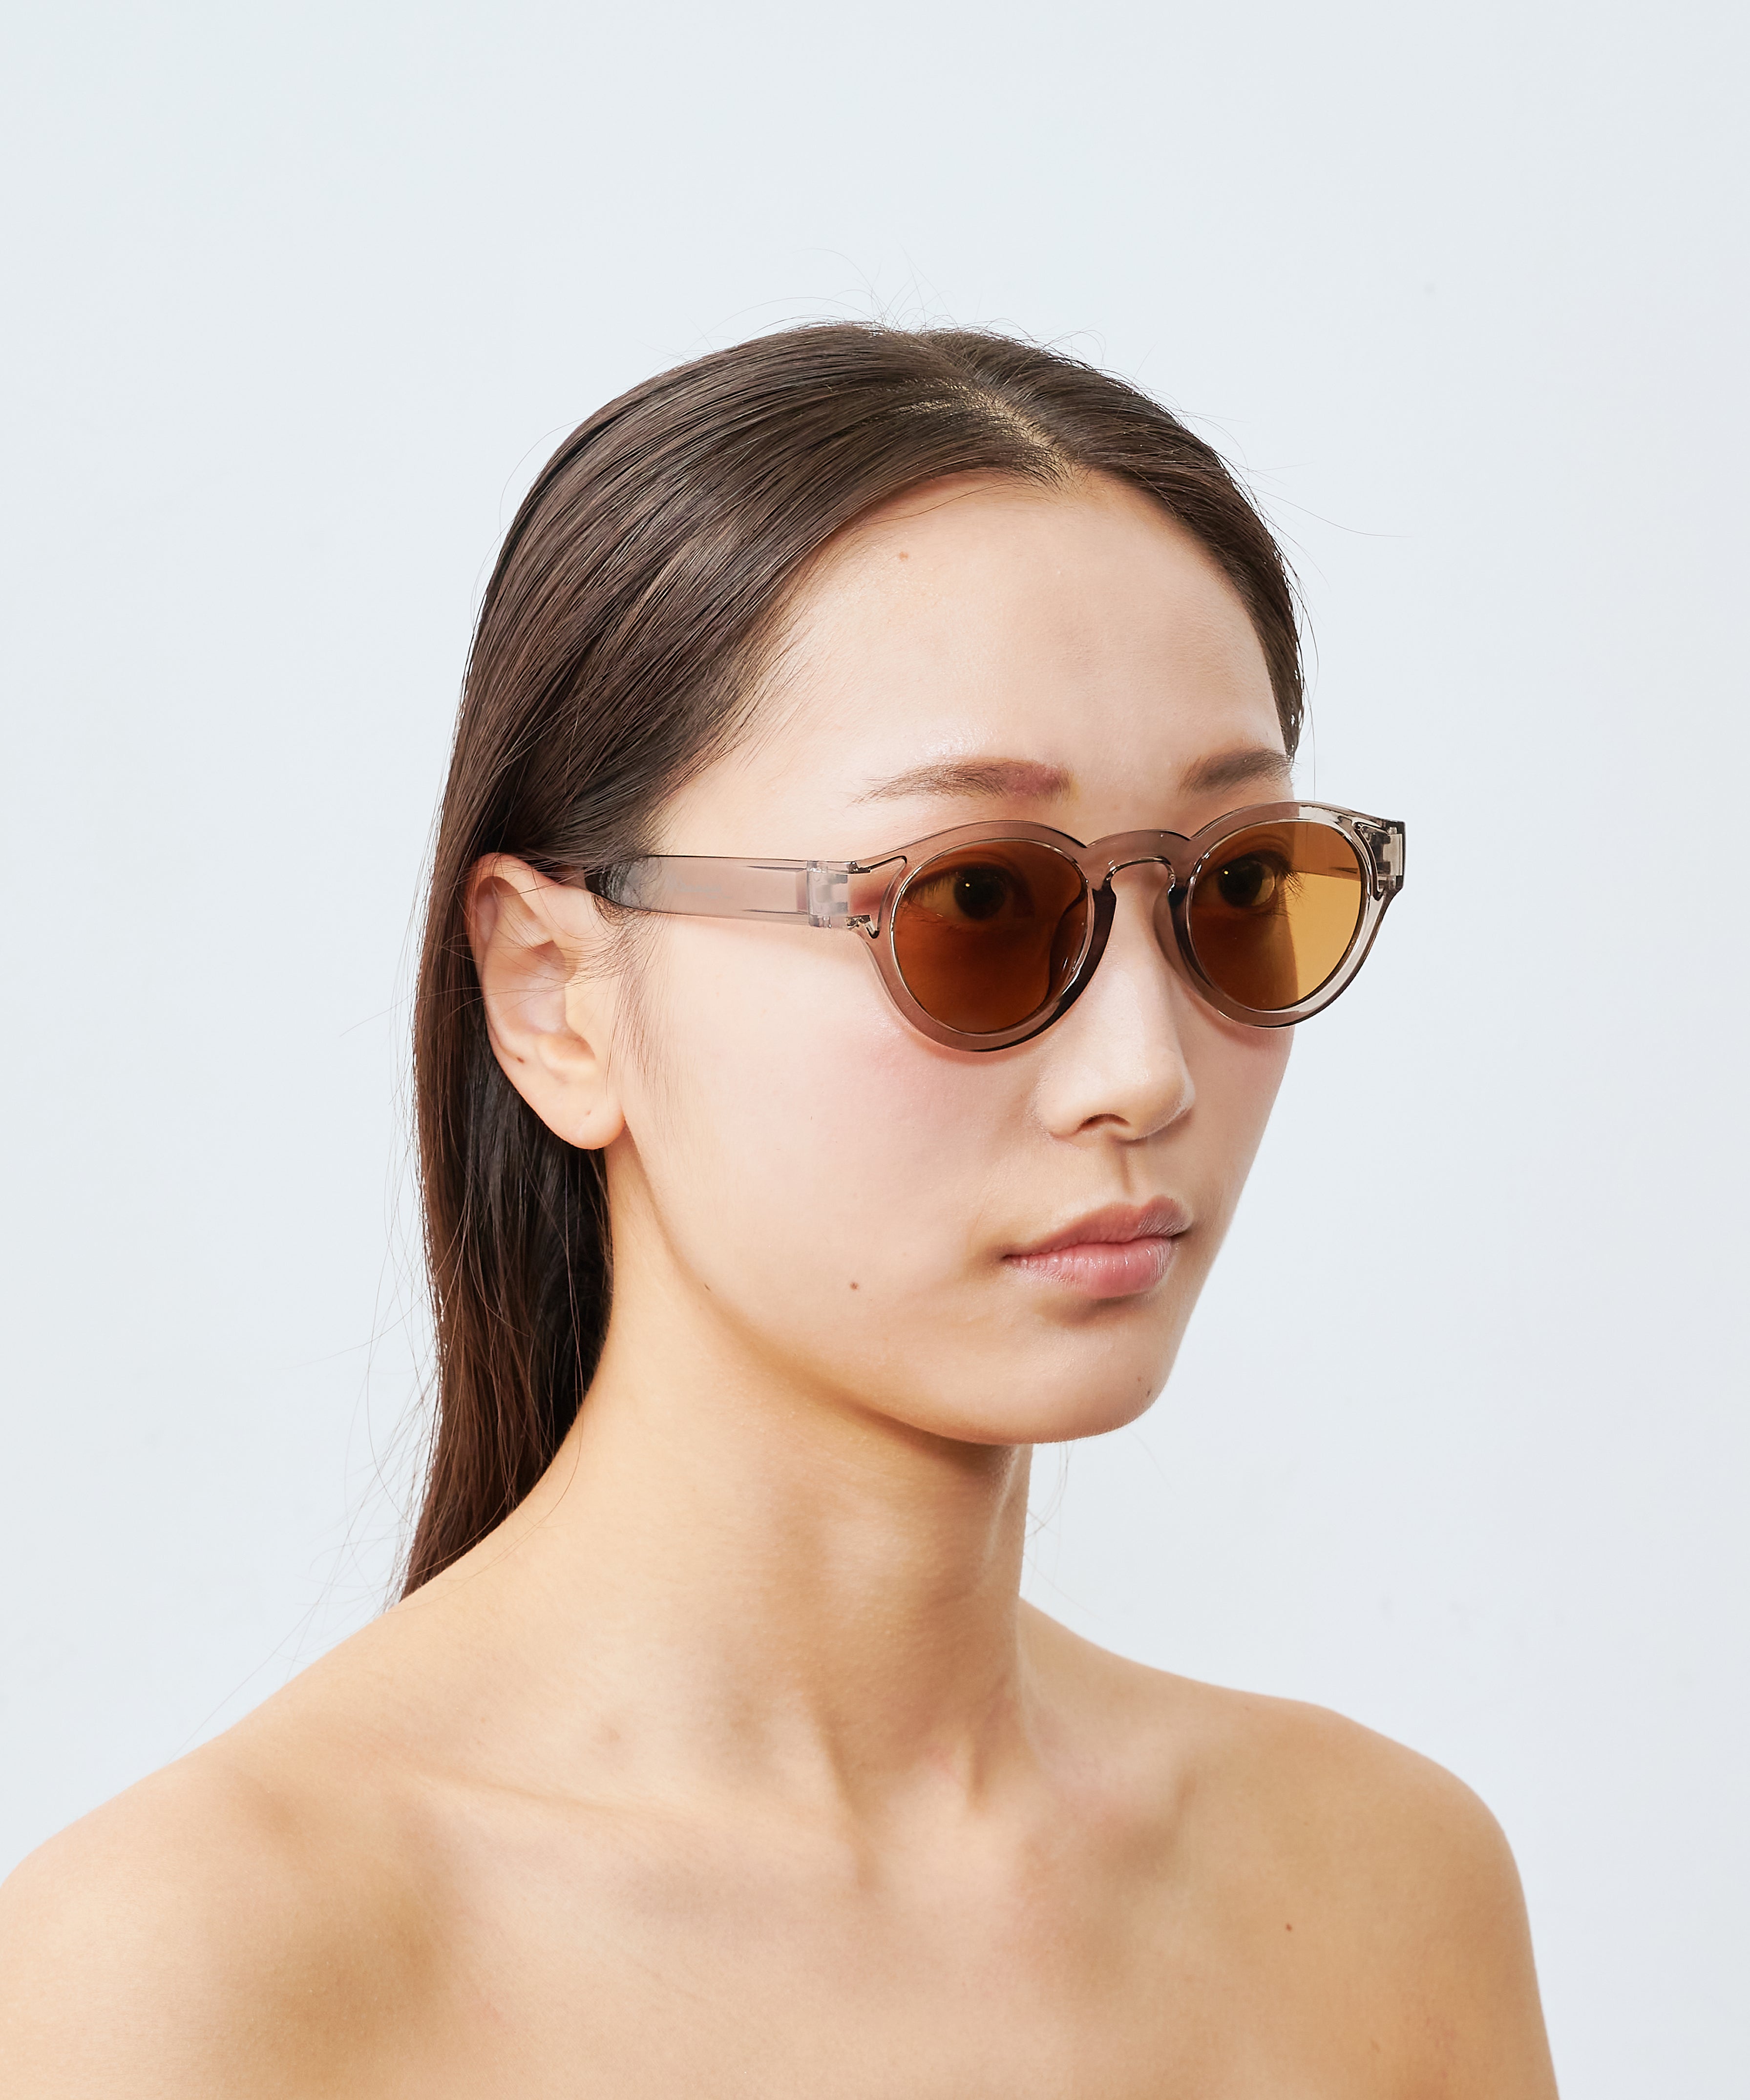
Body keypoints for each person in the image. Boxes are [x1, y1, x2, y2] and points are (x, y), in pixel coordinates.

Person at [0, 325, 1558, 2095]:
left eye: (1238, 886)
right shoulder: (190, 1975)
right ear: (554, 994)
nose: (1146, 1069)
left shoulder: (1380, 1893)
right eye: (976, 902)